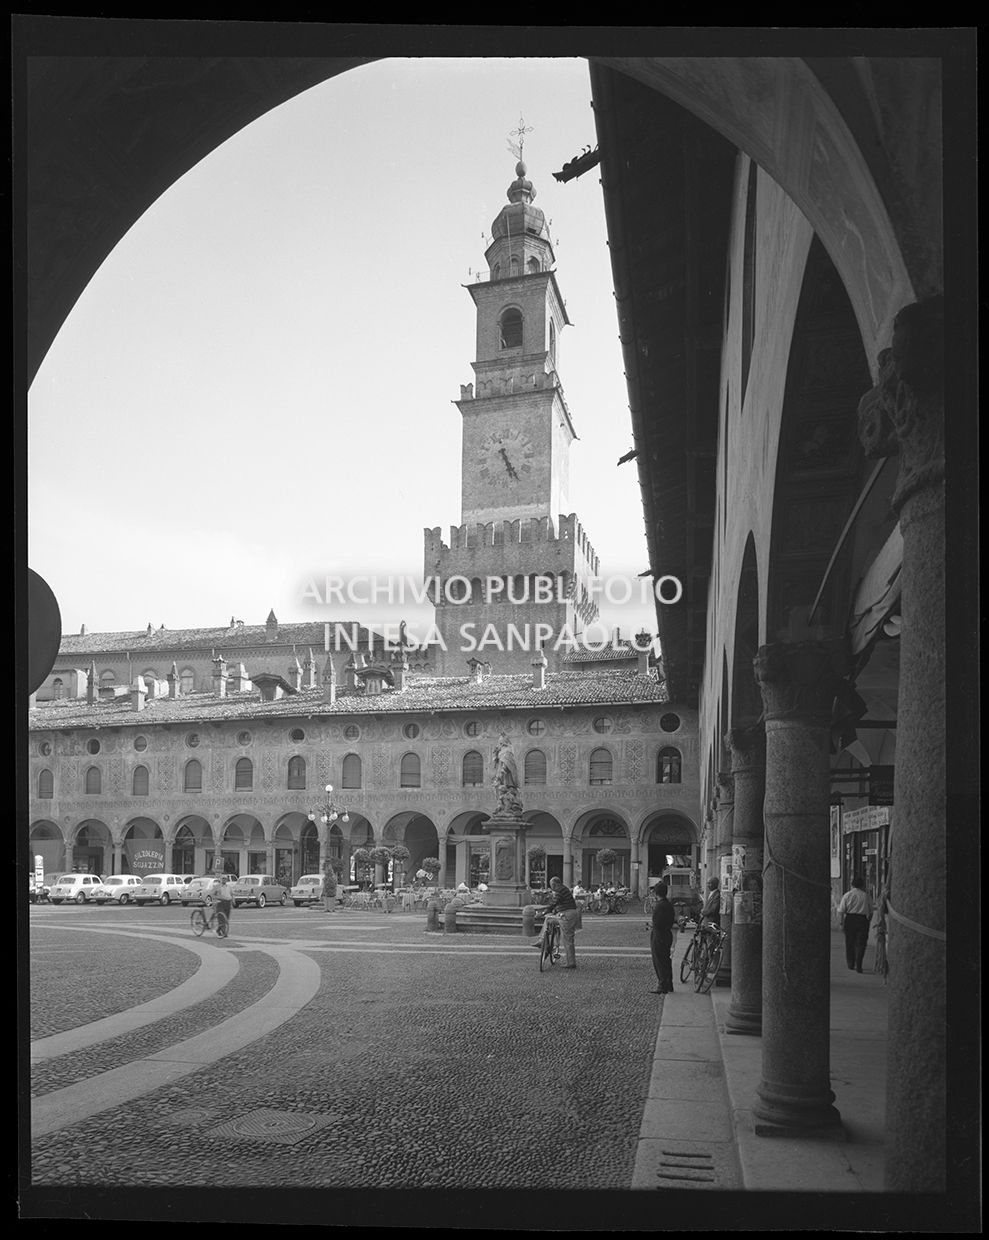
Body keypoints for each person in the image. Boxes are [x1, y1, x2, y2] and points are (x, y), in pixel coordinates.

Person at [533, 876, 580, 968]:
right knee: (549, 920)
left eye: (551, 885)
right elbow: (559, 904)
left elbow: (554, 903)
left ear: (554, 884)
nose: (551, 887)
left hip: (567, 916)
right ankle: (542, 939)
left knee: (567, 940)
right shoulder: (563, 889)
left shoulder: (559, 890)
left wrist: (543, 913)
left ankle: (571, 963)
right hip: (569, 914)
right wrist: (553, 911)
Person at [838, 874, 873, 972]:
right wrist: (868, 921)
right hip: (862, 920)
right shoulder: (866, 896)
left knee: (850, 943)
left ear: (852, 885)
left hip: (850, 919)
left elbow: (841, 910)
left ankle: (850, 963)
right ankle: (859, 964)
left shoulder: (847, 895)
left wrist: (841, 923)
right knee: (861, 943)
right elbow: (871, 911)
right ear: (862, 885)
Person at [649, 881, 676, 994]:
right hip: (667, 934)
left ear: (656, 893)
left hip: (659, 935)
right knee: (666, 959)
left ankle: (662, 984)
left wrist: (652, 925)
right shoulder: (669, 904)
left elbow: (657, 922)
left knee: (659, 960)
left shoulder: (659, 906)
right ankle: (669, 983)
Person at [211, 870, 234, 934]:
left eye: (225, 879)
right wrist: (216, 898)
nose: (224, 880)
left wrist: (232, 902)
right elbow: (212, 894)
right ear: (221, 879)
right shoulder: (217, 886)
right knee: (221, 918)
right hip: (220, 903)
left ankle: (218, 930)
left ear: (227, 880)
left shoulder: (229, 887)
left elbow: (232, 894)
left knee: (226, 918)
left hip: (228, 903)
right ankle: (224, 932)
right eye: (223, 878)